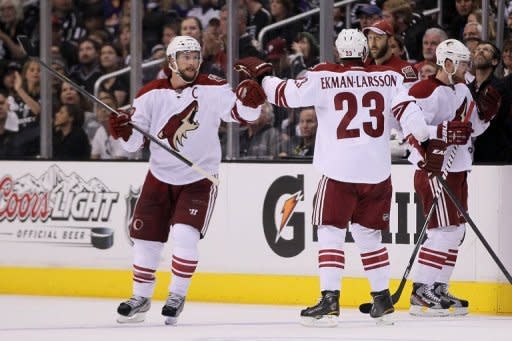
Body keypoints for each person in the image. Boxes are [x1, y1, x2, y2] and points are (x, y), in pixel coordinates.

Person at [234, 29, 472, 326]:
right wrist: (427, 145)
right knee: (369, 235)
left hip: (339, 171)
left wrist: (262, 79)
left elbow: (286, 94)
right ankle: (382, 299)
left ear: (338, 52)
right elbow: (416, 124)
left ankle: (330, 300)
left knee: (330, 231)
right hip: (376, 173)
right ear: (364, 53)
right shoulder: (390, 78)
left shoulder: (323, 76)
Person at [110, 36, 266, 325]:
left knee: (184, 235)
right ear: (171, 62)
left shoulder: (214, 88)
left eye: (195, 56)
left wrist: (252, 102)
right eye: (185, 57)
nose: (192, 61)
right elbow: (133, 145)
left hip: (198, 178)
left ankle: (176, 295)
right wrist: (121, 130)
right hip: (158, 176)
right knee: (145, 239)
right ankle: (140, 297)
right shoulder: (149, 94)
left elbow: (243, 114)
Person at [400, 39, 492, 316]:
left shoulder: (463, 89)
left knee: (457, 232)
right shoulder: (424, 90)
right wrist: (440, 135)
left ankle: (438, 286)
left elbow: (470, 130)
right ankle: (420, 291)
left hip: (459, 168)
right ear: (448, 63)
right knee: (443, 231)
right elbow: (412, 132)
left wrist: (486, 116)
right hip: (435, 170)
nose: (468, 68)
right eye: (463, 63)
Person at [363, 20, 418, 87]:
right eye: (370, 38)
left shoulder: (405, 69)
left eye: (377, 38)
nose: (373, 44)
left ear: (390, 40)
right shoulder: (363, 66)